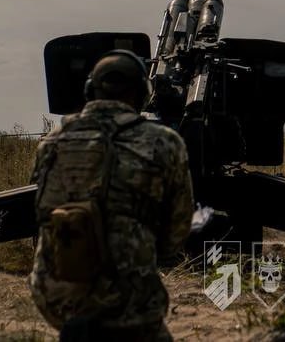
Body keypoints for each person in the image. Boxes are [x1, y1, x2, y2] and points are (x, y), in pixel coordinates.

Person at [30, 49, 194, 341]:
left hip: (55, 297)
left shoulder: (51, 143)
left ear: (90, 90)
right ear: (143, 94)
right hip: (129, 302)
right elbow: (176, 234)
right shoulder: (164, 143)